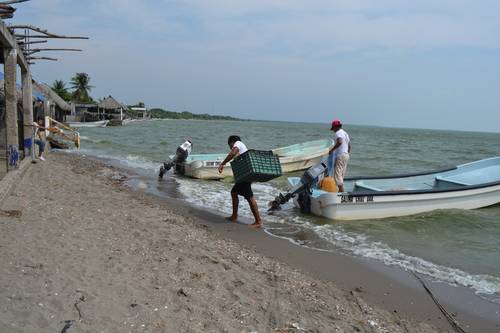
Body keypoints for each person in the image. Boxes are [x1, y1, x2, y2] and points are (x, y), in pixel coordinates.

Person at [218, 135, 263, 228]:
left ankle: (258, 221)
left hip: (246, 176)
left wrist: (223, 163)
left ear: (232, 142)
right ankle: (234, 216)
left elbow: (233, 152)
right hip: (244, 175)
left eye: (229, 145)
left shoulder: (238, 143)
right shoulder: (242, 147)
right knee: (234, 192)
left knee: (249, 197)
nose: (230, 148)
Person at [328, 119, 351, 192]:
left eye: (333, 128)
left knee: (337, 176)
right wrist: (346, 153)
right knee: (341, 175)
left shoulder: (338, 133)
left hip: (340, 155)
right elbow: (349, 146)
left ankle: (343, 194)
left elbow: (340, 142)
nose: (333, 130)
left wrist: (332, 150)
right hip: (346, 155)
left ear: (336, 127)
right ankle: (339, 193)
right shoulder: (345, 133)